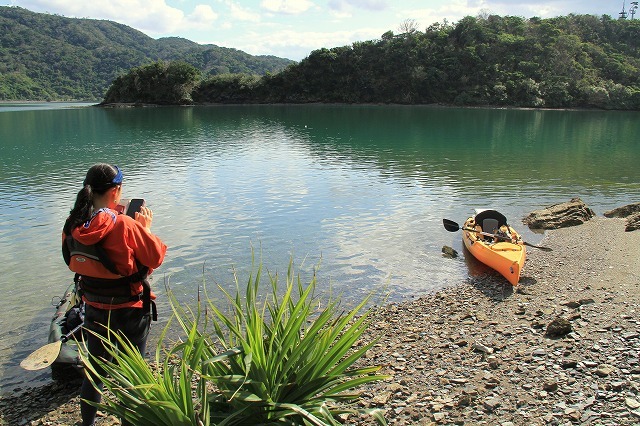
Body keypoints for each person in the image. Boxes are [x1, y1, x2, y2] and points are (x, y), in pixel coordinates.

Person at [62, 163, 167, 426]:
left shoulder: (72, 224)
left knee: (95, 369)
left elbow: (71, 258)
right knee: (132, 370)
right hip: (129, 310)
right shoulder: (125, 225)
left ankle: (87, 423)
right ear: (117, 191)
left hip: (93, 307)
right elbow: (155, 257)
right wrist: (144, 229)